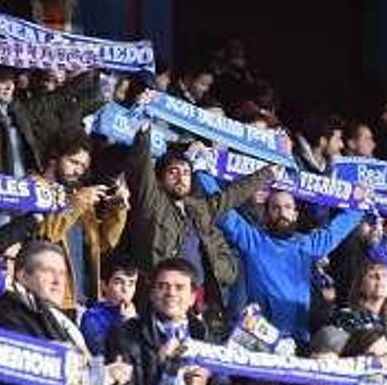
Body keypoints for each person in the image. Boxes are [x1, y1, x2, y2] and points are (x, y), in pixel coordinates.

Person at [122, 125, 272, 337]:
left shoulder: (198, 207)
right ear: (159, 179)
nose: (181, 178)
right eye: (173, 172)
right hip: (164, 296)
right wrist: (143, 131)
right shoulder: (152, 204)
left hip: (200, 301)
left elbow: (232, 195)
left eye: (186, 173)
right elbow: (140, 168)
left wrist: (269, 172)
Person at [210, 187, 365, 344]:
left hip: (299, 341)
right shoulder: (253, 241)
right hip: (259, 340)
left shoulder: (308, 246)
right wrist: (203, 169)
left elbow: (339, 227)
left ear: (295, 214)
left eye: (287, 207)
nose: (282, 213)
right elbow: (221, 206)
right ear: (266, 214)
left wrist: (358, 201)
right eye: (275, 208)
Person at [0, 241, 132, 384]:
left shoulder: (54, 316)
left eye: (62, 273)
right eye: (48, 271)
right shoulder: (8, 315)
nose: (58, 281)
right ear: (23, 276)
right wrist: (102, 376)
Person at [36, 131, 129, 311]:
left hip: (85, 300)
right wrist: (77, 202)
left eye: (83, 166)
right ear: (54, 157)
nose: (78, 170)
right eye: (73, 162)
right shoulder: (34, 187)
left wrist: (117, 209)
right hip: (53, 299)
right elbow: (47, 235)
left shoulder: (78, 195)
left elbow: (103, 244)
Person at [108, 258, 211, 385]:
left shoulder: (202, 333)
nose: (171, 293)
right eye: (163, 286)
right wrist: (159, 365)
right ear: (152, 293)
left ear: (192, 298)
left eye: (179, 287)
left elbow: (223, 378)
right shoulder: (126, 334)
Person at [327, 261, 387, 348]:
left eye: (385, 276)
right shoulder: (345, 316)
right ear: (360, 285)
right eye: (372, 276)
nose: (380, 278)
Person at [81, 262, 139, 356]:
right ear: (104, 285)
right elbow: (102, 353)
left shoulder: (136, 317)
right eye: (118, 282)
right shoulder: (92, 317)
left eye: (131, 283)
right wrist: (125, 324)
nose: (125, 289)